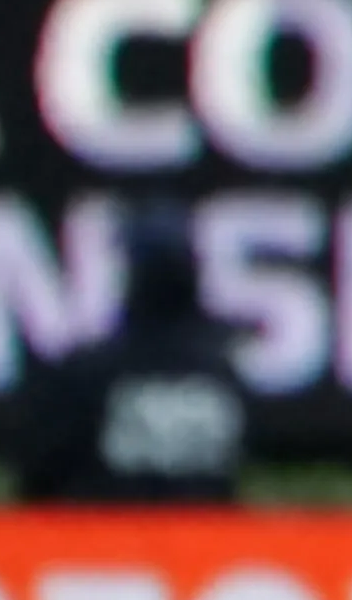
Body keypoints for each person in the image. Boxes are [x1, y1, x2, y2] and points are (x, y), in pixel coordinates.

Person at [17, 204, 247, 504]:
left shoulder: (90, 374)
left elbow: (38, 478)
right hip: (199, 533)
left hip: (105, 531)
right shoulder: (222, 377)